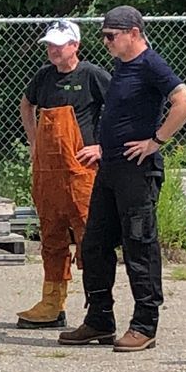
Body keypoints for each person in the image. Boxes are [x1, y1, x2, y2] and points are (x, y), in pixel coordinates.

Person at [60, 6, 186, 352]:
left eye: (111, 36)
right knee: (94, 244)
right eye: (103, 36)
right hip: (111, 169)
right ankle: (99, 319)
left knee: (139, 246)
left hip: (137, 171)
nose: (105, 42)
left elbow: (185, 101)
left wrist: (156, 141)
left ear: (133, 33)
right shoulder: (122, 65)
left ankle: (144, 325)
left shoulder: (151, 64)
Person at [15, 18, 112, 328]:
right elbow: (26, 105)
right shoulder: (43, 77)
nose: (53, 50)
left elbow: (119, 109)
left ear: (75, 45)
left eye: (59, 45)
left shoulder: (92, 75)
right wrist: (33, 141)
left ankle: (98, 307)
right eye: (50, 46)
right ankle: (52, 305)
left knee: (89, 238)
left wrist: (102, 147)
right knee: (51, 239)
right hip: (47, 175)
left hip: (81, 173)